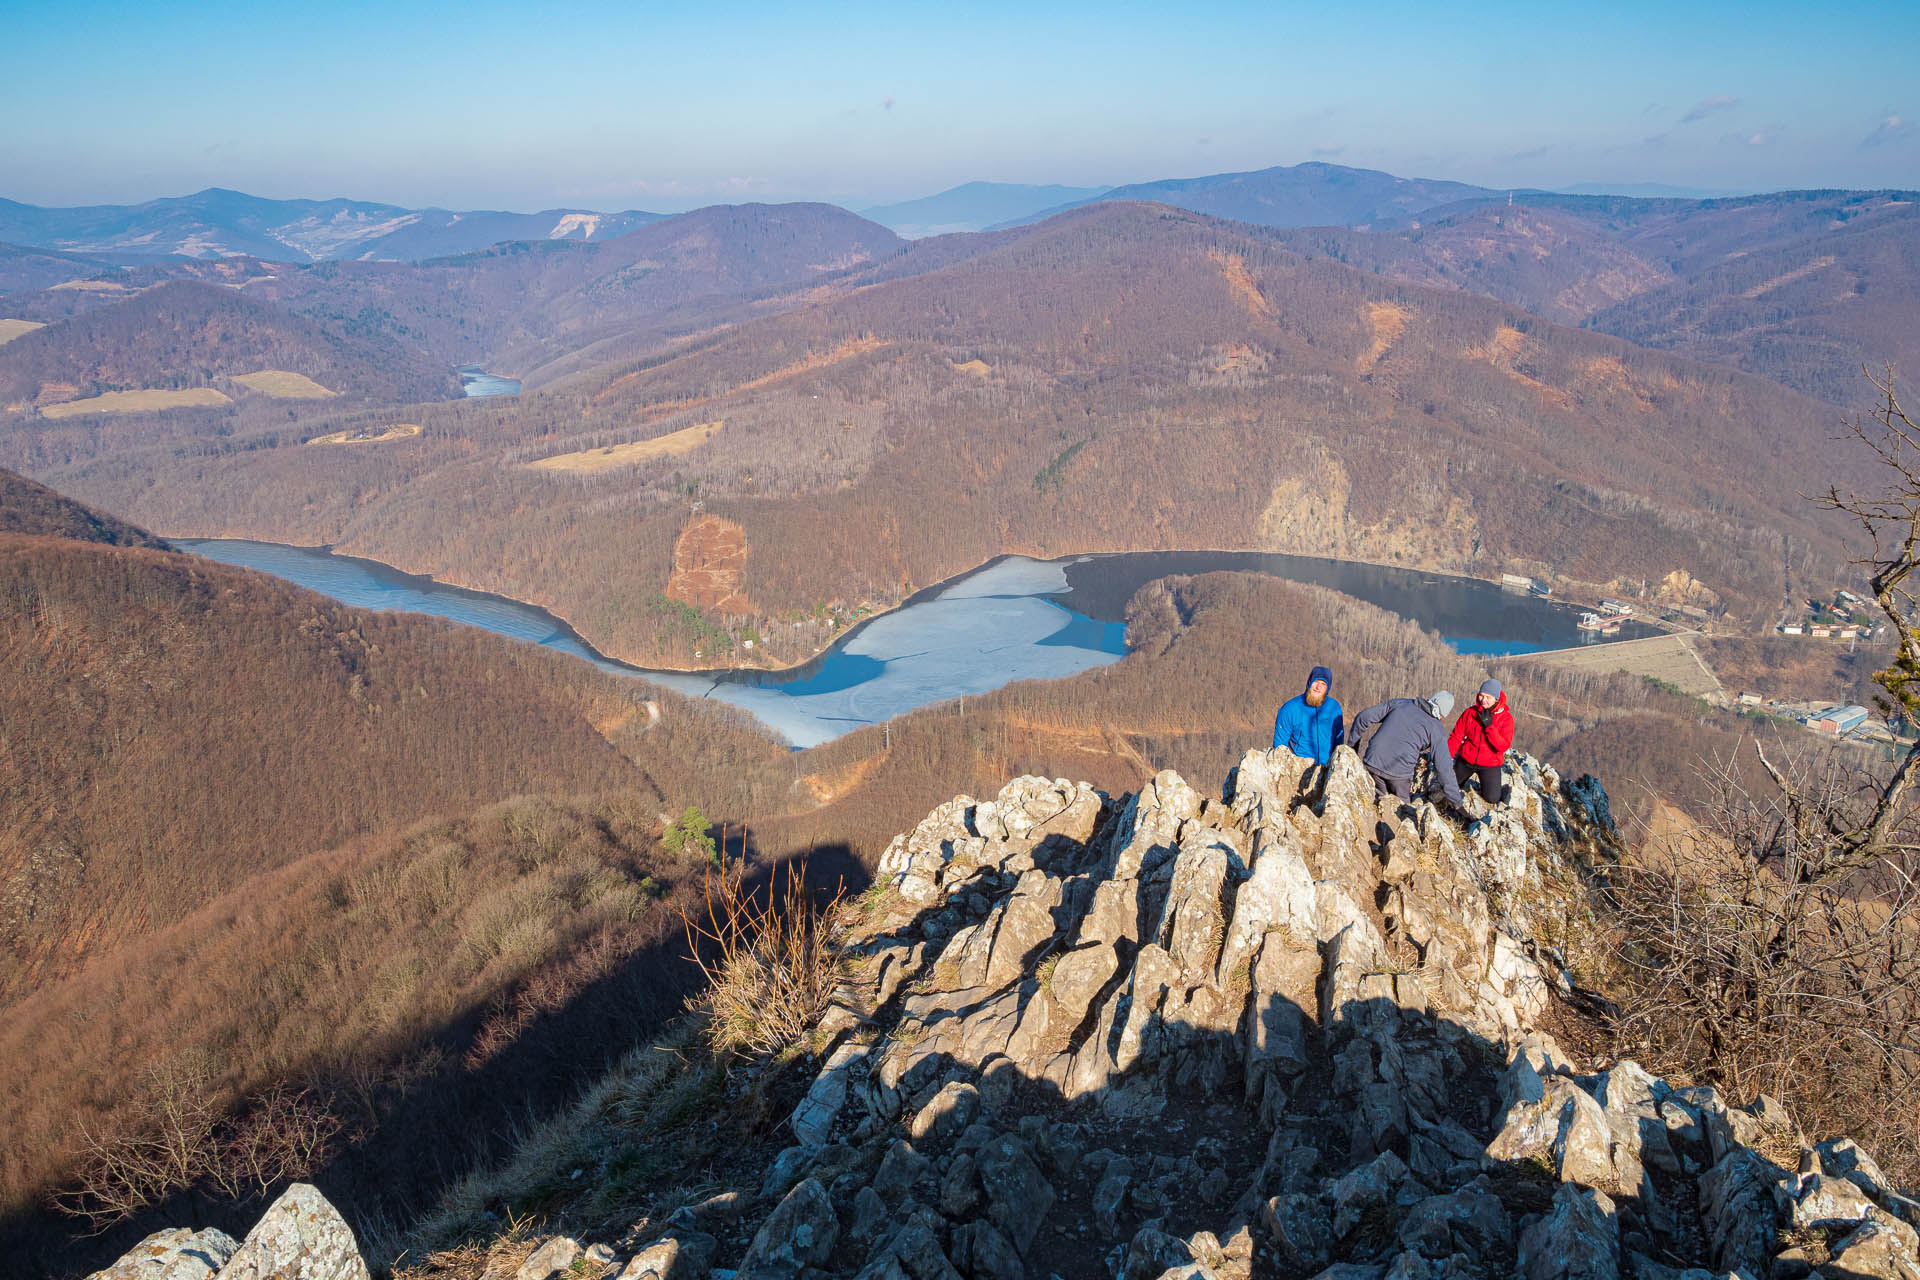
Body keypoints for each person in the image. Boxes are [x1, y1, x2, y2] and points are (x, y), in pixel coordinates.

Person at [1349, 690, 1465, 808]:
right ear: (1443, 714)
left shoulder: (1401, 703)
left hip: (1373, 761)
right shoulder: (1436, 728)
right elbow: (1444, 768)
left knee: (1375, 802)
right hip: (1399, 774)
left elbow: (1362, 717)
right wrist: (1458, 803)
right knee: (1402, 811)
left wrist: (1352, 750)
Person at [1449, 678, 1515, 805]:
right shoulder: (1470, 713)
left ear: (1496, 698)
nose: (1483, 700)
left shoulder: (1506, 719)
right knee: (1448, 786)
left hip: (1490, 764)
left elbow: (1503, 746)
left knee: (1492, 798)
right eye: (1481, 696)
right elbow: (1456, 737)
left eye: (1488, 697)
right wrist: (1446, 758)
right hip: (1466, 760)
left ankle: (1501, 789)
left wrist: (1489, 727)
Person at [1272, 664, 1344, 765]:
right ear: (1309, 682)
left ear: (1328, 688)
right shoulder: (1291, 708)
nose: (1318, 687)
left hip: (1325, 768)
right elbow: (1279, 746)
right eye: (1316, 682)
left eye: (1323, 684)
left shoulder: (1334, 708)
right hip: (1298, 768)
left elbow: (1339, 742)